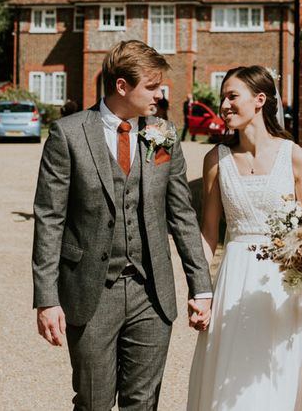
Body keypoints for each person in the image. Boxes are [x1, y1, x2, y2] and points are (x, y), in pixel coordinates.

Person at [32, 40, 212, 410]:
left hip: (152, 293)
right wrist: (47, 299)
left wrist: (201, 287)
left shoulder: (160, 133)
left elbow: (181, 214)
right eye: (151, 86)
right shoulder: (68, 134)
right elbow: (49, 219)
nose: (159, 95)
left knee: (143, 403)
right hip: (92, 294)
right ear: (121, 86)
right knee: (94, 402)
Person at [186, 65, 302, 411]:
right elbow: (208, 232)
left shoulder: (296, 158)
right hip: (234, 279)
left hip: (283, 287)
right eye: (222, 97)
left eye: (232, 96)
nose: (224, 105)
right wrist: (201, 291)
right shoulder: (216, 159)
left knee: (276, 374)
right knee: (230, 378)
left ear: (260, 100)